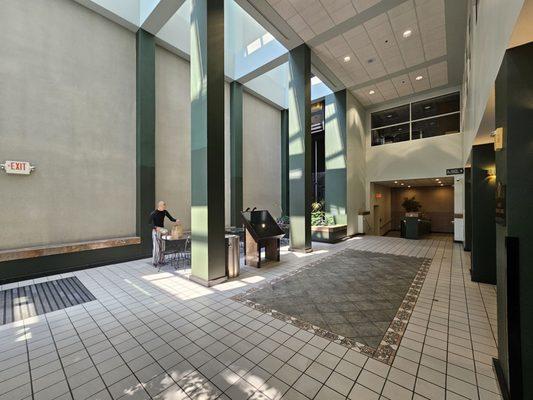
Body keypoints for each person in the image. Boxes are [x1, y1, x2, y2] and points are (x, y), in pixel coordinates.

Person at [149, 201, 176, 266]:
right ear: (160, 205)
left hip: (163, 230)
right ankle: (155, 262)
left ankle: (161, 260)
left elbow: (171, 218)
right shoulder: (153, 213)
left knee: (163, 246)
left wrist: (176, 220)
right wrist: (155, 227)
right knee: (156, 246)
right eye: (164, 205)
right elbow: (149, 224)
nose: (165, 206)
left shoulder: (165, 212)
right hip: (156, 230)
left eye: (165, 205)